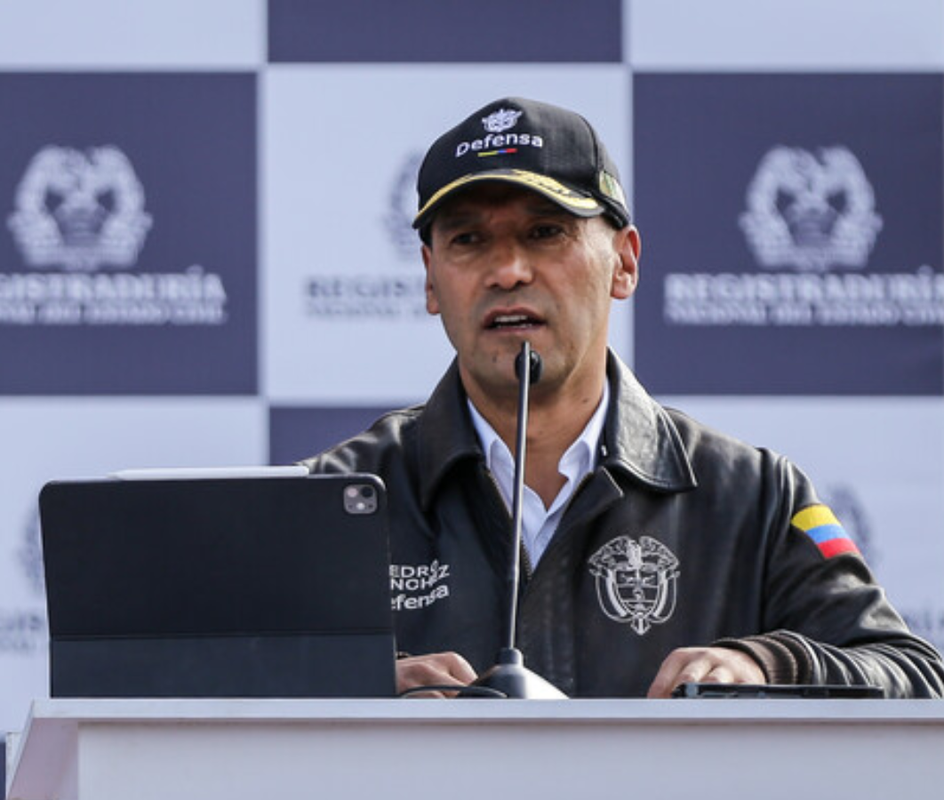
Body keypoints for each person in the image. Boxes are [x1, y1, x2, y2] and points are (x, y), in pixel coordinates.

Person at [298, 97, 944, 698]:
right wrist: (348, 690)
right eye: (468, 240)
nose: (508, 271)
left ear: (625, 262)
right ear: (430, 278)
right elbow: (235, 686)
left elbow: (915, 674)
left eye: (545, 232)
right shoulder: (326, 498)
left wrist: (770, 663)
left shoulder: (753, 496)